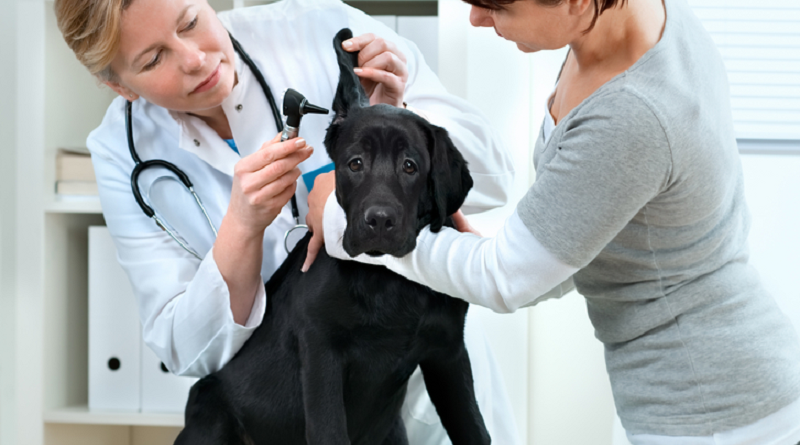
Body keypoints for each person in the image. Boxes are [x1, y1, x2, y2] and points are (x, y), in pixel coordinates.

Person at [307, 0, 800, 443]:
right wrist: (520, 253)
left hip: (710, 409)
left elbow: (506, 279)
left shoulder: (631, 113)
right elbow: (592, 227)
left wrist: (338, 219)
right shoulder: (635, 25)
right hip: (702, 384)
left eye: (495, 5)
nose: (477, 18)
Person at [54, 0, 523, 443]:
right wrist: (242, 227)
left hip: (424, 371)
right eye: (154, 58)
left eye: (190, 21)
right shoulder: (120, 151)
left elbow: (495, 176)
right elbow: (185, 348)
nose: (194, 59)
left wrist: (394, 125)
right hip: (283, 406)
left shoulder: (321, 30)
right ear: (122, 87)